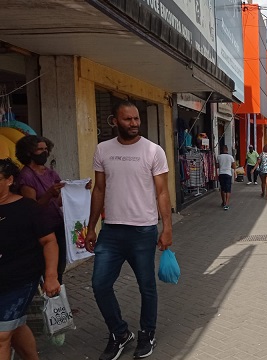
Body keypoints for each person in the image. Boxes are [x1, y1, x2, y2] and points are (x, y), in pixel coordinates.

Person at [84, 100, 173, 360]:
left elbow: (162, 192)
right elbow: (99, 189)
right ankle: (119, 333)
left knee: (146, 286)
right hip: (111, 231)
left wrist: (166, 228)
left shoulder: (153, 151)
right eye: (128, 119)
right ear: (115, 121)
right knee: (100, 285)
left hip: (143, 231)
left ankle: (147, 333)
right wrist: (91, 228)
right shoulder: (103, 149)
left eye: (136, 119)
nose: (134, 123)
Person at [0, 158, 60, 360]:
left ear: (9, 180)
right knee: (14, 326)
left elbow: (49, 242)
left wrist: (51, 276)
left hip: (20, 280)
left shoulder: (27, 208)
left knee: (2, 334)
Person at [15, 135, 92, 285]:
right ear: (29, 152)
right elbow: (32, 208)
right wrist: (49, 193)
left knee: (59, 267)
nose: (44, 152)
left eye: (46, 149)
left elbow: (59, 202)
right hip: (41, 231)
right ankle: (49, 303)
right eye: (39, 149)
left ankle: (58, 303)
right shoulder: (26, 177)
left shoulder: (50, 173)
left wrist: (79, 190)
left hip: (58, 225)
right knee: (48, 269)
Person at [217, 145, 236, 210]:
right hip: (228, 174)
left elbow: (217, 166)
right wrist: (228, 165)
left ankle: (223, 202)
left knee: (222, 189)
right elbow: (234, 167)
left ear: (221, 150)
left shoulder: (219, 157)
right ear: (227, 150)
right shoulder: (231, 157)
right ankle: (227, 204)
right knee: (228, 189)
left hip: (221, 174)